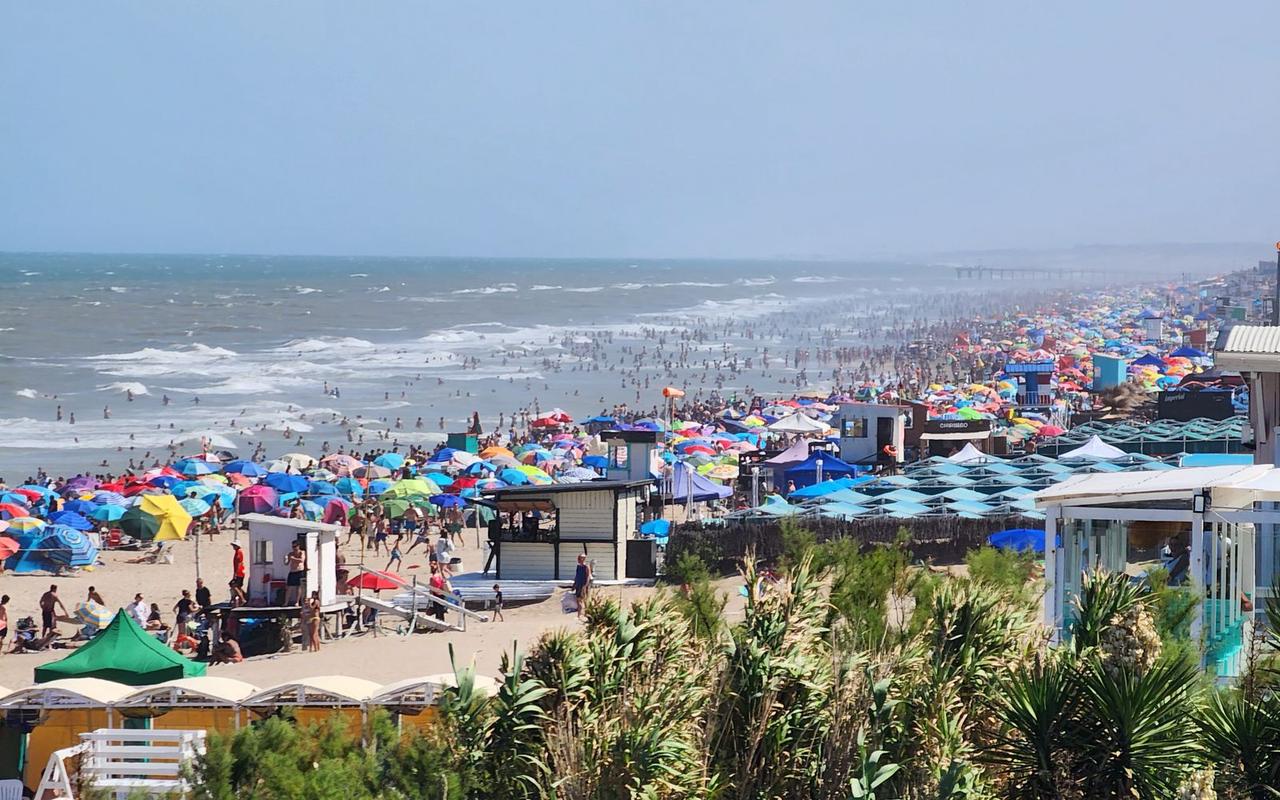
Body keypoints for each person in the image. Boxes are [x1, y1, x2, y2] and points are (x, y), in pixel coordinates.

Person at [285, 540, 306, 605]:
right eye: (293, 546)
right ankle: (286, 602)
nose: (293, 548)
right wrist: (285, 559)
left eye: (295, 546)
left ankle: (297, 602)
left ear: (298, 546)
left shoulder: (302, 552)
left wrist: (293, 559)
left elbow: (302, 560)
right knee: (289, 588)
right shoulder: (290, 554)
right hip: (292, 572)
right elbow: (287, 563)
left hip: (299, 571)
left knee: (299, 587)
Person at [572, 554, 592, 620]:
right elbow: (576, 575)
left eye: (580, 558)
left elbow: (588, 576)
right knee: (578, 600)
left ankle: (582, 615)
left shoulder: (586, 566)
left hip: (583, 585)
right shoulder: (578, 566)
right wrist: (574, 584)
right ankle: (580, 614)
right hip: (578, 584)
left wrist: (585, 585)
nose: (579, 559)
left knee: (582, 599)